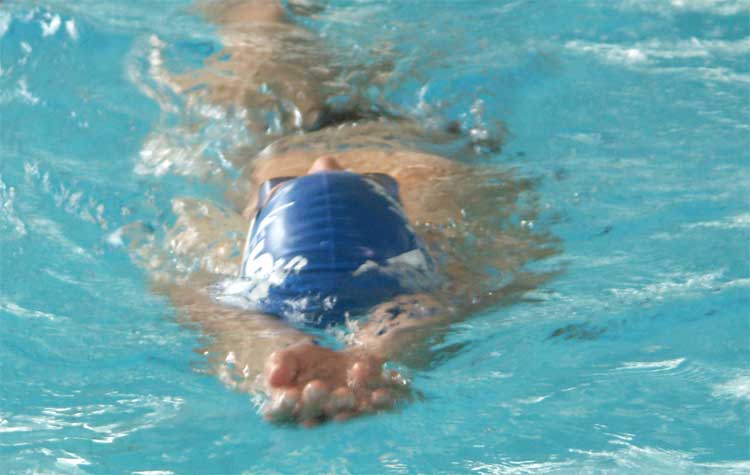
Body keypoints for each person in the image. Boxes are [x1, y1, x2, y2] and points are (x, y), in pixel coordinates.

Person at [138, 0, 557, 426]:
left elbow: (209, 304)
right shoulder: (458, 241)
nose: (326, 164)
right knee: (265, 31)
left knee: (261, 23)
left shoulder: (455, 253)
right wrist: (369, 355)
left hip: (284, 139)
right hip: (404, 138)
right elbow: (432, 304)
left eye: (282, 189)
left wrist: (275, 352)